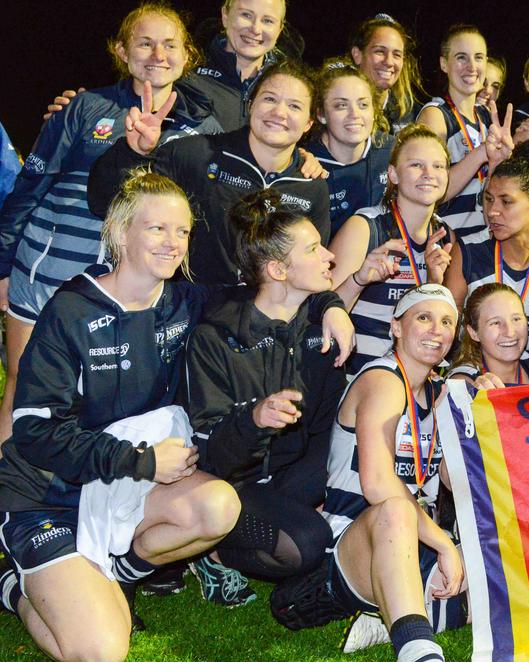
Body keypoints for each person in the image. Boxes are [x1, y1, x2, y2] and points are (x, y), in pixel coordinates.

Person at [0, 171, 240, 662]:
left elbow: (265, 296)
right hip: (49, 495)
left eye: (182, 230)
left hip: (121, 486)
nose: (173, 242)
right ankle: (11, 584)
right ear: (119, 232)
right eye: (156, 229)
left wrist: (330, 305)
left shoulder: (184, 301)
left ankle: (115, 573)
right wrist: (142, 460)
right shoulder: (71, 310)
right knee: (100, 651)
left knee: (218, 507)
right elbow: (34, 432)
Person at [0, 3, 220, 448]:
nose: (157, 53)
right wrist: (3, 263)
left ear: (187, 55)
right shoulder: (86, 107)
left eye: (170, 44)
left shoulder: (204, 127)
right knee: (25, 389)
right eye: (144, 42)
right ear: (122, 51)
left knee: (102, 405)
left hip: (130, 290)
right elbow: (32, 183)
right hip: (49, 271)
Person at [269, 284, 480, 662]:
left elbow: (447, 477)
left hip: (402, 542)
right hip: (350, 537)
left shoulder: (437, 392)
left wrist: (481, 398)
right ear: (395, 327)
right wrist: (443, 544)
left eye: (446, 323)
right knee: (398, 510)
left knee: (497, 585)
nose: (436, 331)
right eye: (423, 318)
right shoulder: (383, 380)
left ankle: (386, 614)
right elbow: (378, 483)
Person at [180, 189, 348, 607]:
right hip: (230, 487)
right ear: (277, 270)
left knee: (329, 520)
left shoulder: (320, 332)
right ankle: (210, 551)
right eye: (313, 249)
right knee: (306, 545)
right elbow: (213, 457)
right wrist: (254, 419)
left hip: (292, 482)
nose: (329, 256)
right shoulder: (215, 338)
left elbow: (325, 428)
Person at [89, 59, 331, 286]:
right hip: (190, 315)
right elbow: (105, 203)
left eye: (294, 106)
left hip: (266, 325)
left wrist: (330, 308)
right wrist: (134, 152)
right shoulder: (194, 155)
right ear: (251, 104)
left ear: (309, 123)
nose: (279, 113)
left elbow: (315, 270)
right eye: (269, 99)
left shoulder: (311, 185)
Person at [330, 125, 455, 372]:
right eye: (416, 165)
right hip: (358, 376)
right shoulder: (366, 227)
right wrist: (358, 280)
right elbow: (321, 313)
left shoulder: (443, 235)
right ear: (393, 174)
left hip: (414, 379)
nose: (429, 173)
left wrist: (432, 283)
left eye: (438, 166)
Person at [446, 142, 529, 354]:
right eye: (489, 200)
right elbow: (449, 328)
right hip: (480, 373)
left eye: (506, 202)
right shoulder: (467, 251)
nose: (493, 212)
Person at [420, 25, 514, 245]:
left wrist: (499, 163)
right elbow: (433, 191)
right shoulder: (435, 115)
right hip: (449, 244)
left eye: (478, 57)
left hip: (486, 238)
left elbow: (493, 190)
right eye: (462, 57)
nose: (472, 67)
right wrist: (481, 154)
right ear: (444, 64)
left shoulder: (486, 116)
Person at [305, 63, 393, 230]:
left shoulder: (392, 151)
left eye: (363, 105)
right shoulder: (306, 165)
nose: (355, 114)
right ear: (321, 114)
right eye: (341, 106)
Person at [184, 0, 288, 131]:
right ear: (225, 16)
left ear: (279, 29)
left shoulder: (290, 88)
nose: (255, 29)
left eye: (267, 21)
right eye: (246, 15)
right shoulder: (187, 73)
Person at [448, 282, 529, 386]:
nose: (509, 332)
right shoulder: (464, 382)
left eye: (516, 319)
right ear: (474, 333)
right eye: (495, 323)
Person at [348, 14, 426, 134]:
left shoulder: (411, 112)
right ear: (357, 55)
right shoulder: (340, 107)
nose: (389, 62)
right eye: (379, 51)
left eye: (396, 54)